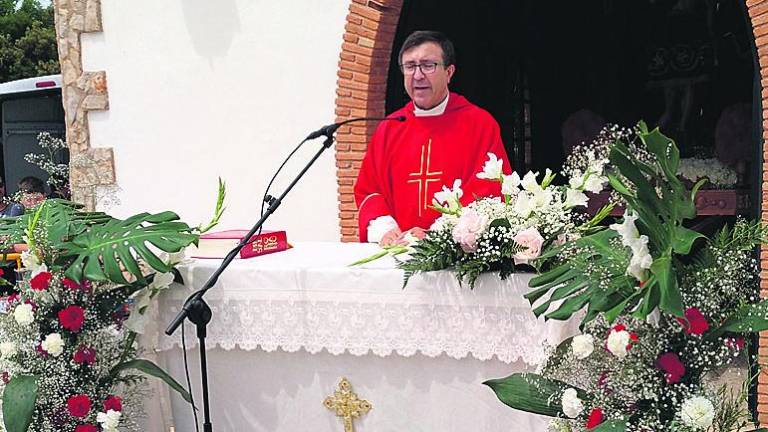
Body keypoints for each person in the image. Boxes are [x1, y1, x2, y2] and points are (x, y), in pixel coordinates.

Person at [354, 31, 511, 245]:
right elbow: (369, 189)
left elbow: (488, 190)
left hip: (455, 257)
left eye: (428, 65)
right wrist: (386, 230)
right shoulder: (390, 128)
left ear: (449, 72)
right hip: (397, 254)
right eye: (410, 66)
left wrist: (437, 235)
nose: (418, 75)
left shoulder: (479, 124)